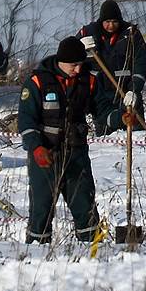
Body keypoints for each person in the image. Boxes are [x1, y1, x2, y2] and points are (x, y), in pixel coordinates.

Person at [18, 36, 131, 244]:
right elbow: (26, 121)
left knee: (84, 206)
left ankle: (92, 252)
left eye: (81, 64)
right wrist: (36, 148)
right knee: (41, 209)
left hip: (76, 155)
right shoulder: (37, 82)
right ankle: (35, 256)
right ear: (61, 61)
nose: (78, 69)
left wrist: (120, 118)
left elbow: (103, 111)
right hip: (45, 156)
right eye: (74, 65)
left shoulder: (88, 81)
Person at [77, 0, 146, 135]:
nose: (111, 26)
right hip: (101, 98)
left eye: (114, 22)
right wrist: (81, 46)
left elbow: (140, 64)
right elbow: (70, 56)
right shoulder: (87, 33)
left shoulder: (131, 35)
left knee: (138, 137)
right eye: (107, 22)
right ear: (101, 20)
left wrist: (134, 89)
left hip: (127, 94)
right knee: (106, 143)